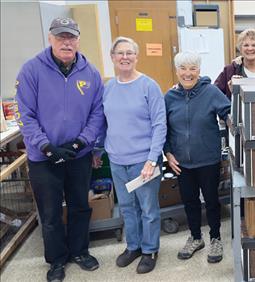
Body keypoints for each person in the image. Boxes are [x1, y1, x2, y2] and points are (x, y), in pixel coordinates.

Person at [14, 17, 104, 282]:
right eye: (61, 37)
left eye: (71, 37)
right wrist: (45, 146)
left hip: (79, 154)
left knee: (79, 206)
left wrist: (81, 142)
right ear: (51, 39)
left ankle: (80, 251)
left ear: (78, 40)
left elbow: (97, 113)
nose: (67, 42)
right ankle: (56, 260)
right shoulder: (31, 70)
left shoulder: (91, 73)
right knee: (50, 212)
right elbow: (24, 114)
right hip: (43, 157)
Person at [94, 37, 166, 274]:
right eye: (120, 53)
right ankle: (133, 246)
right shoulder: (108, 88)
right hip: (117, 161)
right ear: (112, 57)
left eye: (129, 53)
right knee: (127, 208)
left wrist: (152, 159)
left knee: (148, 208)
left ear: (136, 57)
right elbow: (103, 123)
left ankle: (149, 250)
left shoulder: (149, 86)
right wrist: (97, 149)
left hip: (143, 161)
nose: (125, 57)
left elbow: (159, 125)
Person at [164, 51, 230, 264]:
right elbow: (161, 128)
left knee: (211, 201)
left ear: (199, 71)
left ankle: (215, 238)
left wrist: (233, 121)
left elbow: (228, 112)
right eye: (183, 68)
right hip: (181, 162)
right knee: (190, 202)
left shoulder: (210, 92)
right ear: (177, 71)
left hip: (208, 160)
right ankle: (195, 237)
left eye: (192, 68)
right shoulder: (170, 97)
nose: (188, 73)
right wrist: (167, 152)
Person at [214, 28, 255, 100]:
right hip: (238, 111)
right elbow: (214, 94)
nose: (250, 48)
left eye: (254, 45)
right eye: (246, 45)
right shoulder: (230, 70)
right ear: (240, 49)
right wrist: (231, 96)